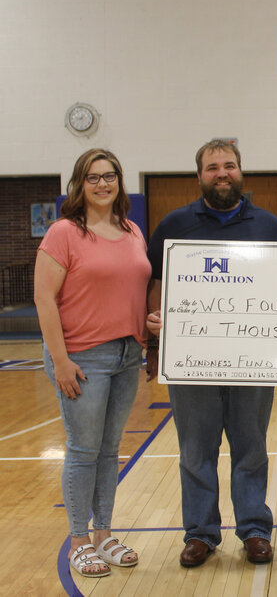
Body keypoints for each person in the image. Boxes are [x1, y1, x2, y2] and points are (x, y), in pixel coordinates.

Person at [145, 140, 277, 567]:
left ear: (241, 172)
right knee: (195, 450)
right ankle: (202, 534)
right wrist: (154, 327)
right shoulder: (173, 225)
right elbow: (154, 286)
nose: (221, 173)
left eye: (229, 165)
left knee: (251, 448)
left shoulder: (271, 227)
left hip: (254, 361)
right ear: (199, 176)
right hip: (192, 363)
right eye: (212, 167)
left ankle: (254, 530)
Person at [34, 149, 150, 578]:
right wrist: (60, 360)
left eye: (110, 176)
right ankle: (78, 541)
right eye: (93, 177)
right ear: (79, 185)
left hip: (126, 354)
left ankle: (103, 533)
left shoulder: (132, 229)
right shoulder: (64, 232)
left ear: (120, 181)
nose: (103, 184)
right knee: (83, 451)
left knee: (108, 450)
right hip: (82, 357)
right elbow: (43, 298)